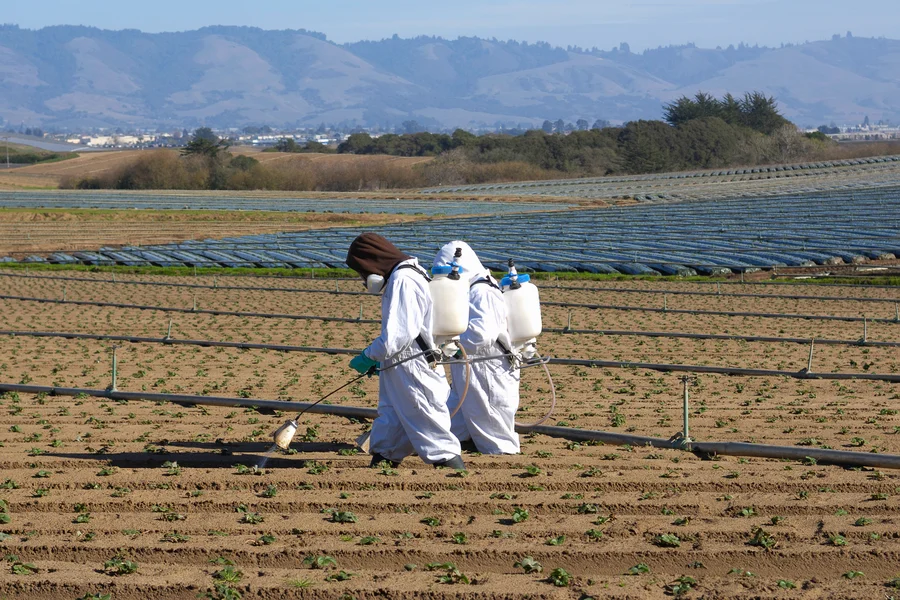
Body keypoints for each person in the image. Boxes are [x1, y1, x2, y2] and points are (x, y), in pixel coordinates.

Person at [345, 233, 464, 469]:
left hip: (413, 363)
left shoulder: (403, 279)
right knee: (393, 419)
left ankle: (456, 477)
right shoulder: (411, 273)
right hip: (403, 362)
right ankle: (383, 463)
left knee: (427, 418)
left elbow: (398, 335)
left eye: (361, 271)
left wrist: (369, 356)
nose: (363, 278)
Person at [433, 241, 520, 455]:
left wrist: (449, 340)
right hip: (470, 365)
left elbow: (481, 334)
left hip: (488, 369)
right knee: (454, 417)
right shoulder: (468, 289)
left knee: (491, 420)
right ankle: (449, 443)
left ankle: (503, 464)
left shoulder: (482, 291)